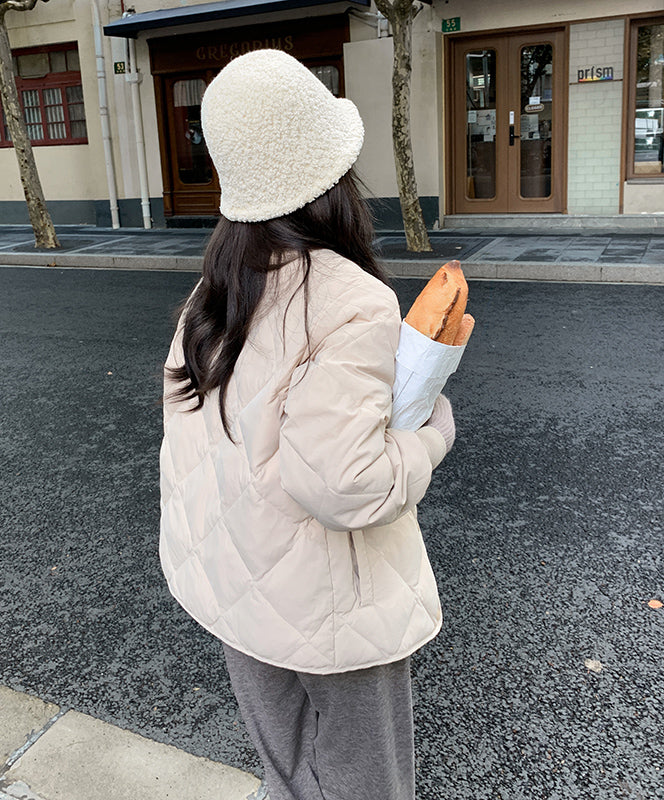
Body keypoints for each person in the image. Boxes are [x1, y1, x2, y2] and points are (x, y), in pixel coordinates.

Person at [159, 49, 455, 800]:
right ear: (333, 176)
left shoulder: (212, 292)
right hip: (332, 604)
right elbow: (346, 484)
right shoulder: (349, 298)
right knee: (368, 785)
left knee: (287, 779)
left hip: (239, 588)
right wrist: (432, 430)